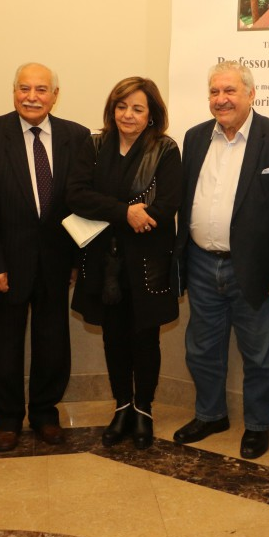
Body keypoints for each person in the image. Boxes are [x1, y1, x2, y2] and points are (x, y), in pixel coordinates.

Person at [173, 61, 269, 459]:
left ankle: (258, 425)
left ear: (251, 93)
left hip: (257, 270)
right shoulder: (195, 137)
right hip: (201, 263)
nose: (221, 99)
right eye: (215, 92)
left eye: (230, 91)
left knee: (261, 356)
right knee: (201, 350)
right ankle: (210, 414)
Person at [0, 63, 90, 452]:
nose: (32, 97)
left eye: (41, 89)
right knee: (3, 342)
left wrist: (76, 260)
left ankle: (44, 412)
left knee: (53, 341)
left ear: (55, 95)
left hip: (56, 260)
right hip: (5, 262)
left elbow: (81, 201)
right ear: (14, 91)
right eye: (24, 88)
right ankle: (7, 417)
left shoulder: (76, 136)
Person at [66, 77, 182, 449]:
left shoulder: (165, 149)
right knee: (113, 337)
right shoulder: (95, 144)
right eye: (121, 106)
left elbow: (166, 206)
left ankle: (144, 409)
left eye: (137, 108)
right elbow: (76, 195)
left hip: (147, 263)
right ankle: (122, 407)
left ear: (151, 115)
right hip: (104, 263)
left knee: (145, 337)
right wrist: (125, 213)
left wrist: (128, 215)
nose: (127, 115)